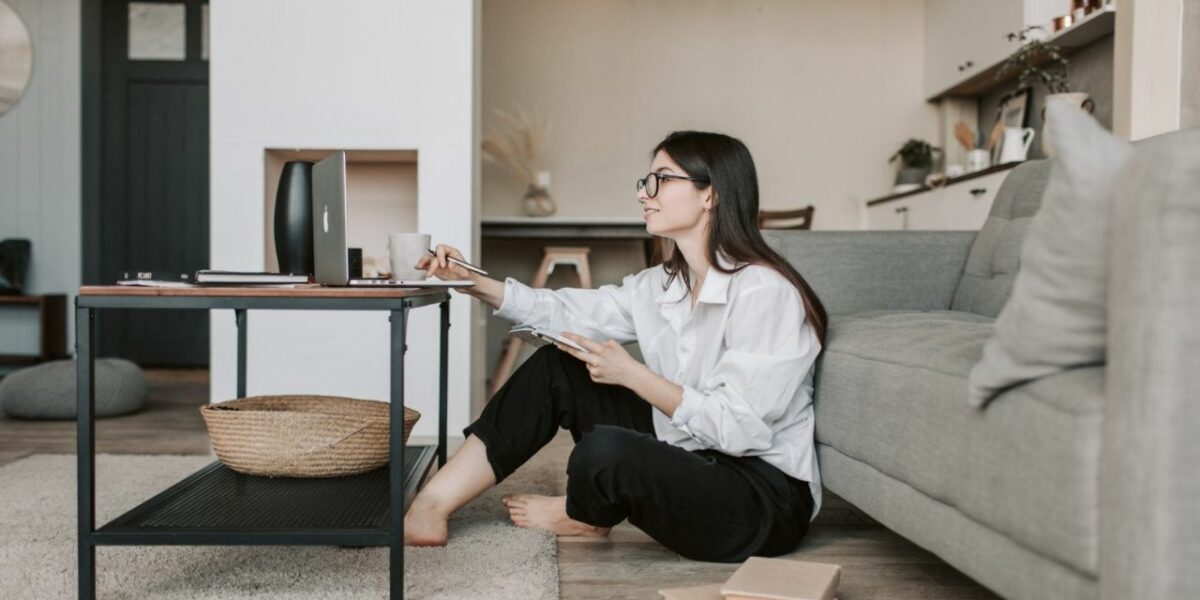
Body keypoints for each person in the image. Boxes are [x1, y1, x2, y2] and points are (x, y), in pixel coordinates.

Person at [405, 130, 828, 563]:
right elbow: (562, 312)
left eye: (662, 179)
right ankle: (432, 503)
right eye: (646, 181)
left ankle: (583, 514)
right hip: (692, 451)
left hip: (761, 495)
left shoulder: (763, 293)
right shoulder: (662, 284)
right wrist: (472, 282)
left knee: (604, 452)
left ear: (710, 195)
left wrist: (634, 375)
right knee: (559, 364)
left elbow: (739, 431)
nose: (645, 194)